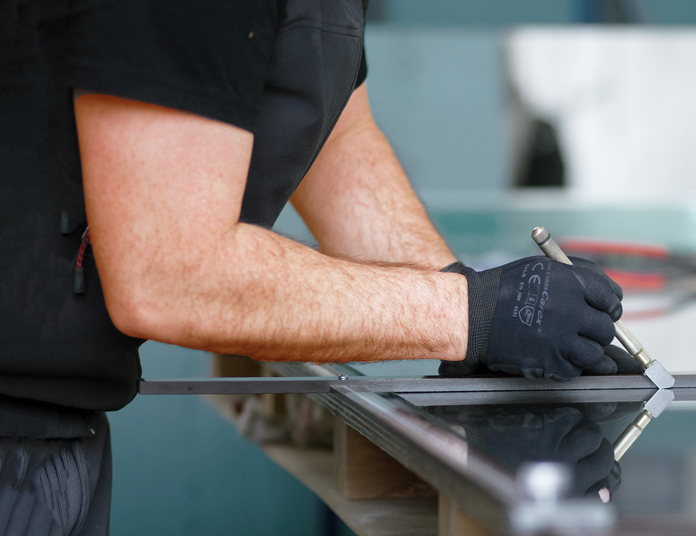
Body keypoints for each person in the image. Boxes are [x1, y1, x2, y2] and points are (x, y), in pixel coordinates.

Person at [1, 0, 632, 430]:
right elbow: (171, 274)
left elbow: (337, 137)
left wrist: (472, 297)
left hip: (54, 424)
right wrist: (470, 314)